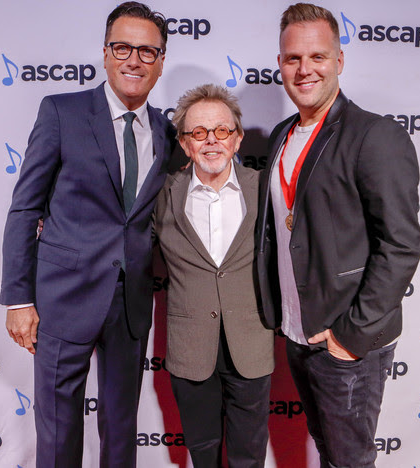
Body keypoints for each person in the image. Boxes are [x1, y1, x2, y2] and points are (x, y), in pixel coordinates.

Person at [0, 2, 182, 466]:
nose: (133, 60)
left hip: (132, 303)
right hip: (62, 298)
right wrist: (19, 299)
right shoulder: (61, 111)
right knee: (59, 433)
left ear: (161, 63)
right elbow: (25, 207)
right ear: (104, 54)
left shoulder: (167, 130)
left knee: (122, 431)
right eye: (122, 47)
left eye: (147, 51)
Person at [256, 3, 420, 467]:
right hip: (297, 330)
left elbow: (401, 244)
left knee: (349, 460)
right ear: (280, 65)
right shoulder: (282, 134)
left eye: (317, 57)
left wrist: (350, 335)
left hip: (348, 337)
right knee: (330, 454)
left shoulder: (374, 135)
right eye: (293, 58)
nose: (304, 69)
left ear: (339, 61)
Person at [154, 84, 274, 468]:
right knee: (203, 454)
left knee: (248, 457)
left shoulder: (265, 191)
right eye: (198, 133)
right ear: (185, 143)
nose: (211, 141)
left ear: (237, 139)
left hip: (251, 344)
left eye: (221, 130)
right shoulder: (162, 196)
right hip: (191, 348)